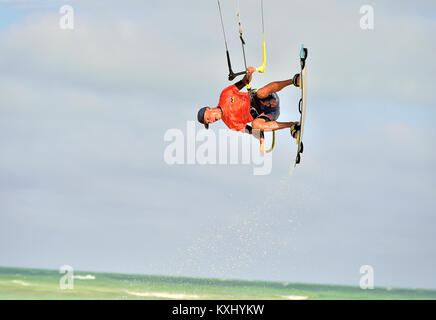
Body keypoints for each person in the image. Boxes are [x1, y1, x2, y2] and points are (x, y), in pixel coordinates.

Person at [197, 67, 301, 153]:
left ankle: (294, 81)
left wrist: (249, 73)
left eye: (208, 118)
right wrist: (261, 141)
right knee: (255, 125)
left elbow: (244, 81)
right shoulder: (230, 124)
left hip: (268, 99)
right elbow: (252, 131)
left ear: (209, 109)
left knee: (260, 92)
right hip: (269, 115)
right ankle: (292, 125)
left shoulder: (225, 95)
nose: (211, 121)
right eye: (209, 122)